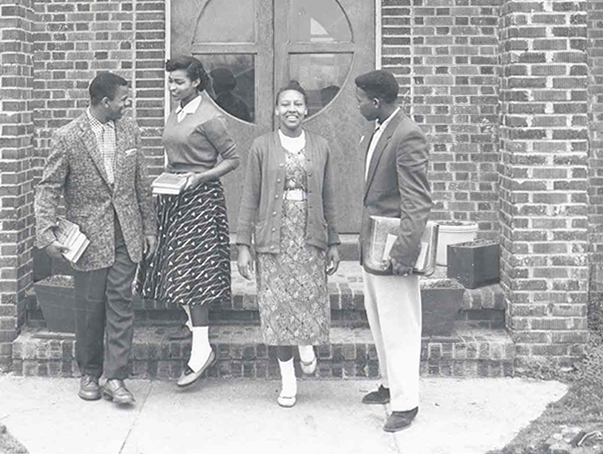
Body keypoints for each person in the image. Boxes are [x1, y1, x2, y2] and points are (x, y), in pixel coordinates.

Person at [34, 72, 157, 405]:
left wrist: (149, 228)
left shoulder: (130, 130)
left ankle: (115, 378)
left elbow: (141, 184)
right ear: (105, 102)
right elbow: (48, 187)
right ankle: (90, 372)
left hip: (125, 234)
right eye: (123, 99)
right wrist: (46, 234)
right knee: (90, 308)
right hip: (87, 239)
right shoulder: (68, 136)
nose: (128, 104)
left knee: (121, 306)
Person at [136, 55, 240, 387]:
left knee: (195, 275)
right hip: (173, 198)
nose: (172, 87)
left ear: (196, 82)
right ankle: (198, 334)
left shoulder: (210, 116)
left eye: (179, 81)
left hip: (200, 200)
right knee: (176, 268)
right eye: (170, 81)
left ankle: (201, 351)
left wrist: (202, 177)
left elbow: (233, 159)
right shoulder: (177, 112)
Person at [236, 80, 341, 408]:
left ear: (306, 109)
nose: (292, 109)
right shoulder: (261, 146)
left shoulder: (320, 145)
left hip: (309, 239)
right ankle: (288, 379)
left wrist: (334, 241)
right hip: (273, 239)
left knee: (307, 302)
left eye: (298, 103)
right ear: (276, 110)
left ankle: (307, 345)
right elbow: (250, 197)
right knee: (278, 310)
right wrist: (243, 244)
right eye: (286, 104)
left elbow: (329, 197)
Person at [355, 70, 433, 432]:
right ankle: (389, 384)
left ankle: (406, 404)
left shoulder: (407, 134)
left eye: (359, 99)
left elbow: (417, 201)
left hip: (393, 249)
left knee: (400, 325)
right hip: (375, 246)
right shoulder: (382, 129)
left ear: (376, 101)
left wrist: (404, 253)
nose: (356, 105)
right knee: (379, 318)